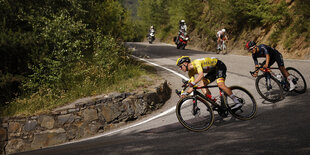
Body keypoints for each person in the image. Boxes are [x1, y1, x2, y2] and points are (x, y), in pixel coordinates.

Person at [176, 56, 243, 110]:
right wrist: (186, 93)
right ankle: (213, 102)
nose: (180, 68)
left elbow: (201, 75)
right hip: (213, 70)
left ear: (185, 63)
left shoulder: (196, 63)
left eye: (180, 66)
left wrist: (193, 83)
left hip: (219, 66)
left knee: (220, 84)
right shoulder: (190, 72)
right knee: (202, 85)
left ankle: (237, 101)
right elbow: (192, 86)